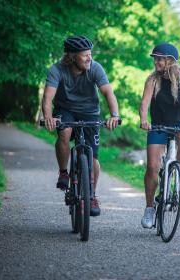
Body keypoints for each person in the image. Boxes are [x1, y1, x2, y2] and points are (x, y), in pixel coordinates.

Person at [42, 35, 119, 217]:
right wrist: (48, 117)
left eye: (90, 54)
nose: (89, 58)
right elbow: (47, 97)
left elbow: (108, 92)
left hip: (90, 112)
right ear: (72, 56)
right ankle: (63, 172)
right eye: (85, 55)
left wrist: (114, 115)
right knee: (65, 132)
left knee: (93, 159)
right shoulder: (57, 69)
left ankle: (91, 195)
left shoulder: (95, 68)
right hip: (65, 109)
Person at [139, 42, 180, 228]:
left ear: (170, 61)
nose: (156, 62)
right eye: (155, 59)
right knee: (152, 166)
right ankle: (150, 208)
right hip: (158, 124)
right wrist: (144, 120)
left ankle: (179, 177)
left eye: (160, 59)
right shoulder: (152, 80)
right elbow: (144, 103)